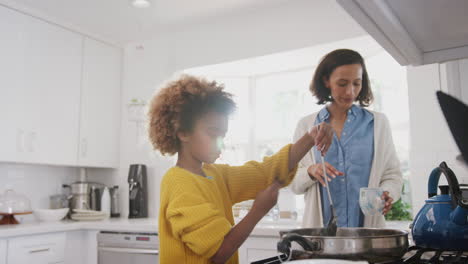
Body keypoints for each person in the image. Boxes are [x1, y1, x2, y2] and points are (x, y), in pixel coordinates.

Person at [147, 75, 334, 264]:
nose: (220, 142)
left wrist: (311, 137)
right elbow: (219, 252)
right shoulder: (179, 183)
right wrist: (257, 212)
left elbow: (264, 173)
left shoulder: (214, 175)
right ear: (183, 133)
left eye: (223, 134)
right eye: (213, 133)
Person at [290, 49, 403, 228]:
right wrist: (311, 171)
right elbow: (291, 180)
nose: (350, 92)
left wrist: (387, 193)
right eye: (342, 83)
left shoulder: (377, 123)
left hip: (367, 233)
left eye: (356, 83)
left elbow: (393, 175)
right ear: (326, 81)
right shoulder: (306, 126)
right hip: (322, 236)